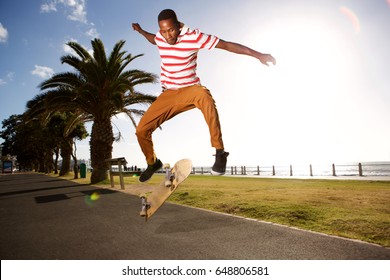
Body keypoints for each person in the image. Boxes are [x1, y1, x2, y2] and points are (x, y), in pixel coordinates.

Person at [132, 9, 276, 182]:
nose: (168, 36)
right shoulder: (160, 37)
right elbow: (153, 40)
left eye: (171, 30)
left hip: (190, 90)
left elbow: (227, 45)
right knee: (141, 131)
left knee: (204, 95)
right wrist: (140, 31)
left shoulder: (194, 37)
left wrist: (258, 55)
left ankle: (220, 152)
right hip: (168, 94)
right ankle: (152, 162)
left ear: (178, 26)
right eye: (163, 31)